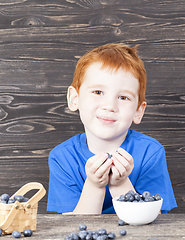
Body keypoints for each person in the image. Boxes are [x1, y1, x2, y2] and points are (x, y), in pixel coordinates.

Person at [47, 43, 177, 214]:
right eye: (98, 92)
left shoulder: (150, 153)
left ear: (138, 111)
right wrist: (94, 185)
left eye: (123, 97)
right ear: (74, 99)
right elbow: (74, 227)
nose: (110, 106)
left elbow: (152, 222)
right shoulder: (62, 158)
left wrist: (121, 184)